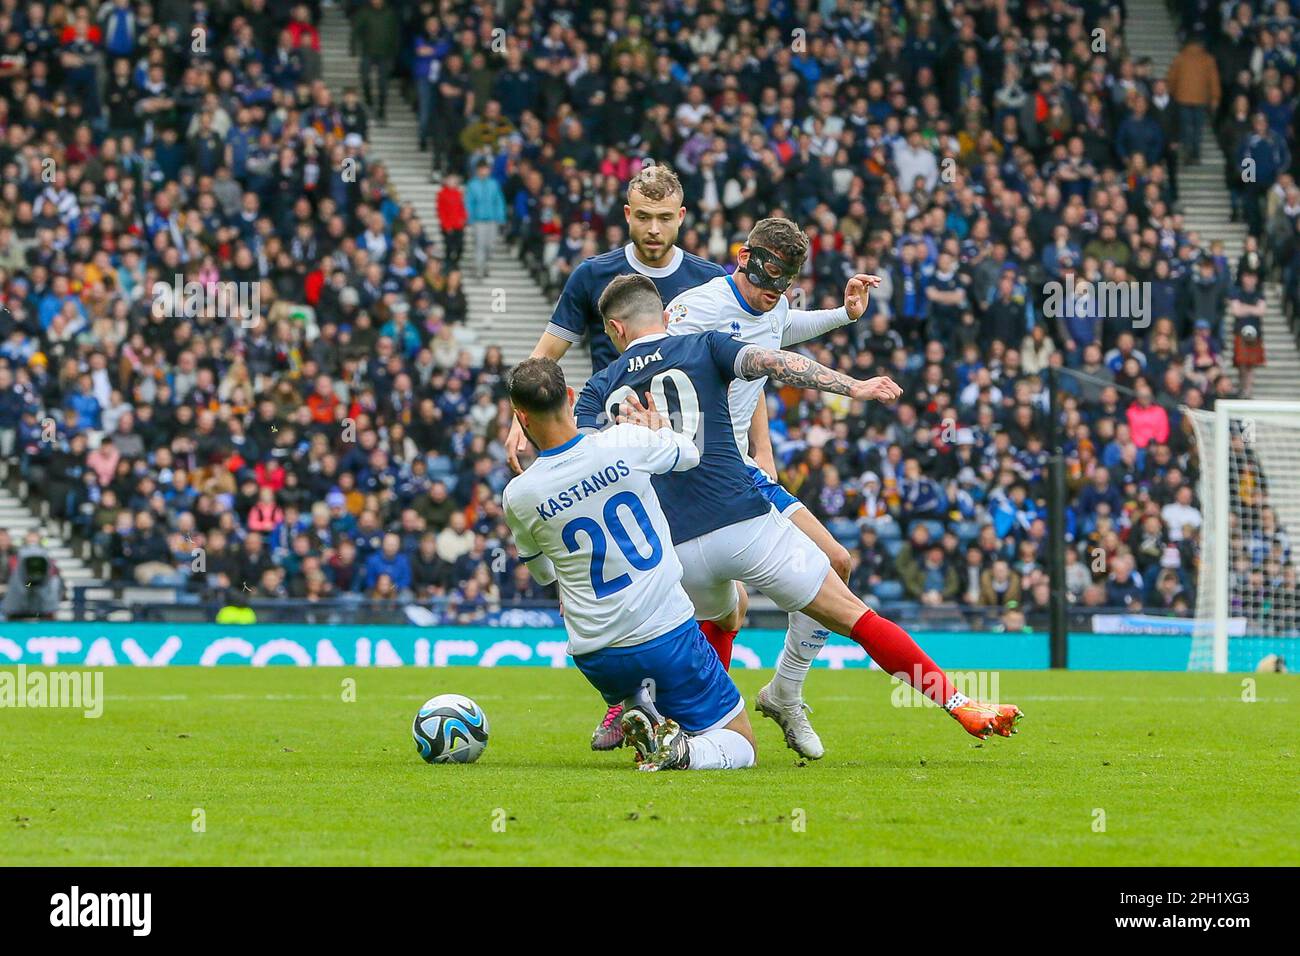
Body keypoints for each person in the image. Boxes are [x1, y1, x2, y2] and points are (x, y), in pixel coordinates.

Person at [578, 274, 1023, 753]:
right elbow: (777, 363)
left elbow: (580, 465)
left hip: (677, 546)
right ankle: (958, 704)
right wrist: (853, 387)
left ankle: (705, 723)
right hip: (744, 522)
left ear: (615, 330)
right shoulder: (704, 344)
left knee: (725, 621)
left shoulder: (599, 388)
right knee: (856, 615)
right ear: (663, 315)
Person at [659, 216, 877, 755]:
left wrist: (844, 316)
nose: (770, 298)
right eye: (765, 285)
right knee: (700, 602)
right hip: (690, 472)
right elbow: (652, 366)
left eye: (781, 290)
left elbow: (783, 329)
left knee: (838, 563)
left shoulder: (771, 303)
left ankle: (785, 691)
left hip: (743, 473)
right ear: (742, 258)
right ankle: (653, 707)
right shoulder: (695, 309)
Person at [501, 357, 757, 771]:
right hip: (664, 636)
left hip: (597, 657)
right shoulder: (622, 441)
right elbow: (690, 455)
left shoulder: (519, 495)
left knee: (644, 678)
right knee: (741, 744)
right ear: (570, 397)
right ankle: (681, 752)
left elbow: (544, 573)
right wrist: (657, 429)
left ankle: (638, 704)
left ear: (520, 417)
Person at [505, 164, 724, 465]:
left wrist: (762, 448)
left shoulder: (710, 280)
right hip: (615, 437)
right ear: (627, 214)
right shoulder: (592, 274)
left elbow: (740, 358)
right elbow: (545, 355)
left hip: (692, 436)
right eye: (643, 217)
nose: (654, 229)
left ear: (681, 217)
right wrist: (520, 416)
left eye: (664, 218)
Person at [465, 160, 506, 279]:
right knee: (479, 244)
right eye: (481, 169)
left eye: (485, 169)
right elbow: (469, 203)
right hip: (479, 220)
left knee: (490, 245)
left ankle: (485, 265)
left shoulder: (494, 184)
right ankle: (479, 268)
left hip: (492, 220)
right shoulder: (472, 184)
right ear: (477, 170)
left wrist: (501, 218)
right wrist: (470, 218)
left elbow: (499, 201)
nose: (483, 171)